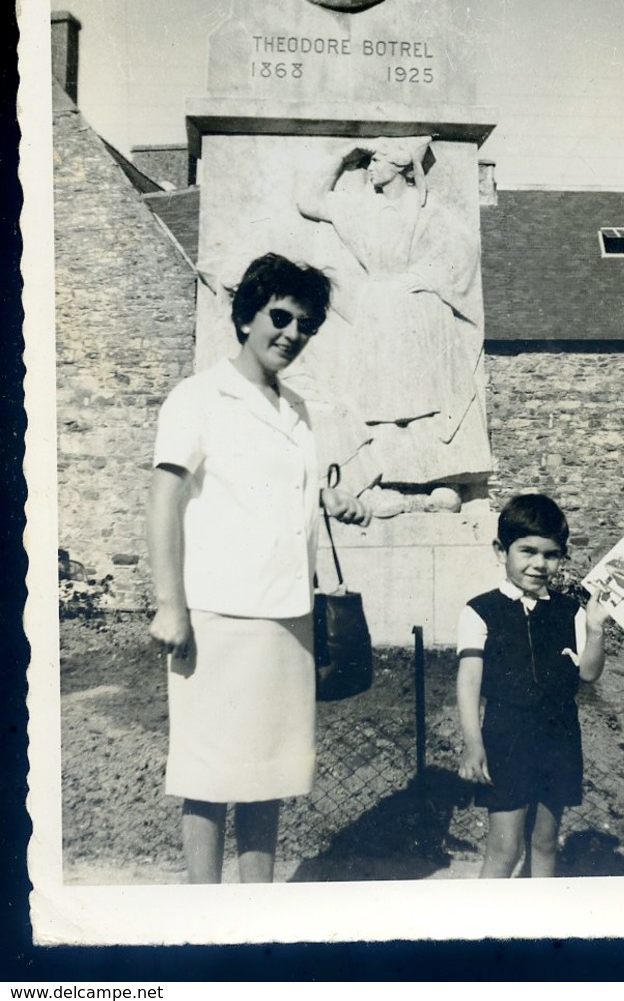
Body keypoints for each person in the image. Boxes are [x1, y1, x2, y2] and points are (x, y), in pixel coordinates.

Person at [146, 252, 370, 883]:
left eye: (305, 325)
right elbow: (164, 498)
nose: (292, 334)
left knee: (267, 773)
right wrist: (171, 604)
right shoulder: (198, 397)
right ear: (246, 316)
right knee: (211, 774)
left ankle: (255, 913)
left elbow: (273, 488)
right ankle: (206, 919)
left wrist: (328, 498)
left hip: (289, 617)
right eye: (281, 316)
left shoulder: (296, 409)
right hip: (220, 615)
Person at [296, 137, 491, 514]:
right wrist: (342, 156)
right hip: (379, 308)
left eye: (377, 161)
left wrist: (427, 276)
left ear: (400, 168)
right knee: (380, 400)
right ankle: (382, 479)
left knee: (432, 400)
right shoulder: (359, 210)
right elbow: (308, 199)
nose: (370, 168)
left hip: (421, 311)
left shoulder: (427, 211)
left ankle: (443, 481)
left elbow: (464, 250)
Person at [456, 494, 609, 878]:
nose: (539, 564)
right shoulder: (480, 610)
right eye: (527, 551)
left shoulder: (570, 610)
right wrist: (474, 744)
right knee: (504, 849)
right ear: (500, 550)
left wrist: (595, 629)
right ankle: (480, 934)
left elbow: (589, 673)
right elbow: (469, 681)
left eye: (551, 555)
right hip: (506, 739)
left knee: (544, 842)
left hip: (558, 740)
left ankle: (543, 928)